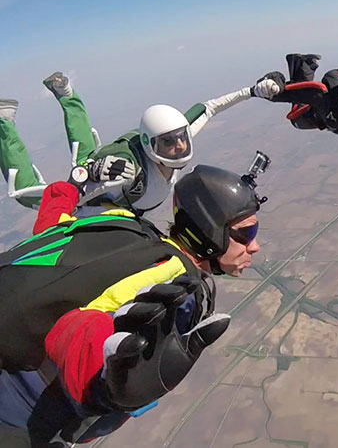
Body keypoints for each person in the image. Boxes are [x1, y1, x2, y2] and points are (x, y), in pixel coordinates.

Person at [0, 161, 266, 447]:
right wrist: (113, 389)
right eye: (246, 234)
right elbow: (76, 331)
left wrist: (68, 188)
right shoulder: (180, 290)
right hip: (20, 416)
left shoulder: (121, 224)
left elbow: (53, 230)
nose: (254, 246)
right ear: (212, 231)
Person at [0, 71, 283, 214]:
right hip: (90, 204)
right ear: (149, 145)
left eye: (181, 138)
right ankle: (4, 121)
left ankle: (65, 93)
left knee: (85, 149)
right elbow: (75, 192)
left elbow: (209, 107)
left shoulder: (177, 133)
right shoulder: (126, 174)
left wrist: (253, 90)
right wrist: (95, 173)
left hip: (116, 195)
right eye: (168, 142)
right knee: (26, 194)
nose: (178, 146)